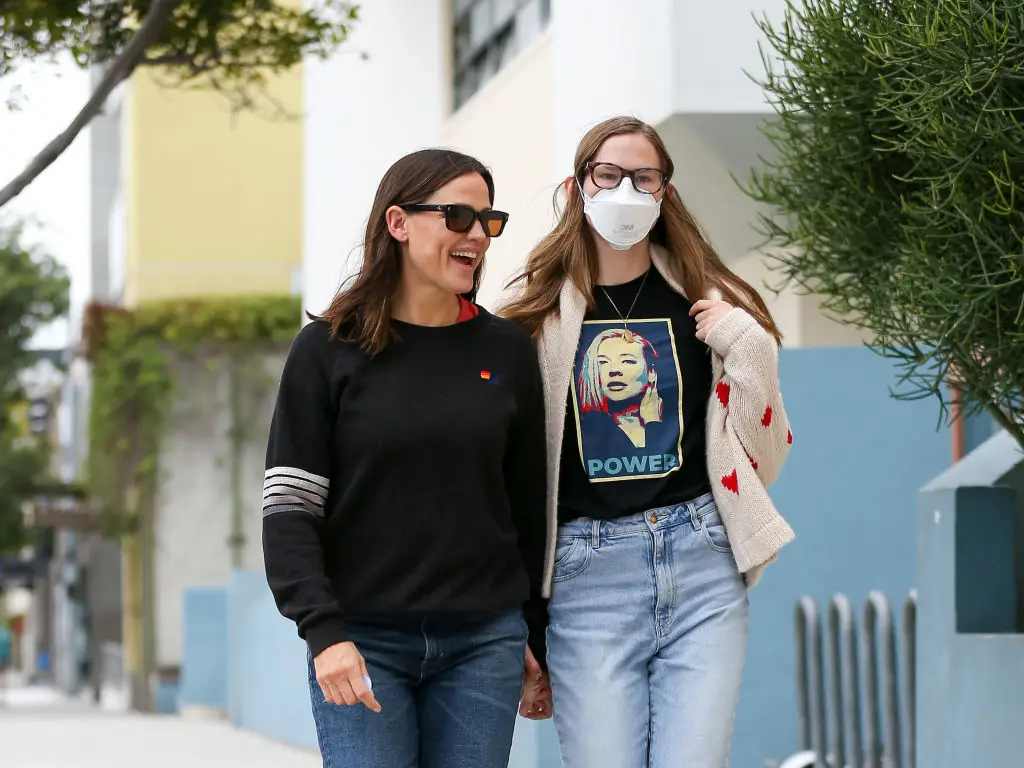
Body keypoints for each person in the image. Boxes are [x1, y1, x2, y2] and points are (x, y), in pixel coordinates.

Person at [503, 116, 796, 767]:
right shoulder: (536, 321)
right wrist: (519, 611)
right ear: (579, 185)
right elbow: (510, 476)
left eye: (644, 177)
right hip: (587, 574)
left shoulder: (707, 302)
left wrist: (748, 346)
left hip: (701, 562)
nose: (626, 191)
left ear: (665, 190)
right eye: (609, 176)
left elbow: (767, 456)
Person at [263, 148, 550, 768]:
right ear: (398, 223)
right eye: (457, 217)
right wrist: (324, 632)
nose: (477, 235)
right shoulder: (326, 351)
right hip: (361, 641)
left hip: (483, 642)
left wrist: (534, 630)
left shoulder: (508, 353)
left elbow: (527, 507)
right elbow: (289, 508)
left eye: (487, 221)